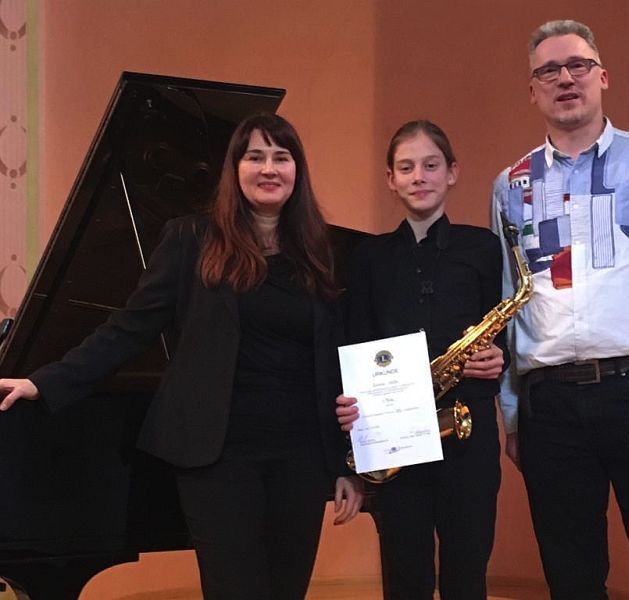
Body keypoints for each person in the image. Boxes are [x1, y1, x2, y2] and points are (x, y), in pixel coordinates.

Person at [0, 113, 364, 600]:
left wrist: (350, 462)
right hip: (217, 457)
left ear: (298, 170)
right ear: (234, 170)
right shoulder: (191, 239)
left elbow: (343, 359)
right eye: (254, 156)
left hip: (300, 456)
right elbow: (129, 328)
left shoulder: (323, 250)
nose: (269, 168)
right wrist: (46, 381)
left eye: (282, 157)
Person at [490, 19, 629, 600]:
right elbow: (508, 303)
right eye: (549, 70)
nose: (565, 78)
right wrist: (513, 415)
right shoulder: (509, 186)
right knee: (572, 579)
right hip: (550, 406)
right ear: (532, 89)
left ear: (603, 77)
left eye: (578, 66)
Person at [336, 120, 506, 599]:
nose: (419, 176)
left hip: (468, 433)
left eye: (431, 165)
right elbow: (357, 339)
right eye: (406, 167)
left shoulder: (482, 247)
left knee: (466, 572)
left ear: (452, 172)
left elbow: (505, 332)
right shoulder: (369, 257)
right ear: (390, 178)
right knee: (404, 574)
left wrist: (499, 358)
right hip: (396, 437)